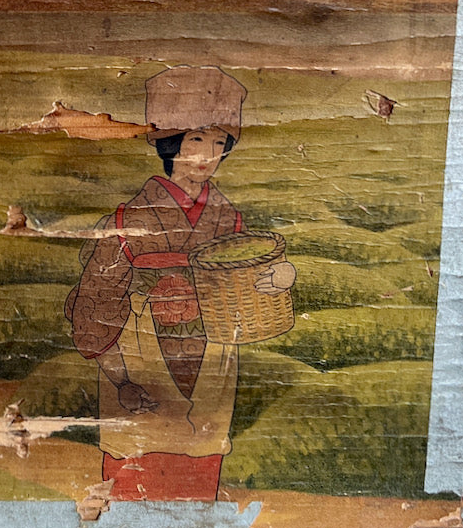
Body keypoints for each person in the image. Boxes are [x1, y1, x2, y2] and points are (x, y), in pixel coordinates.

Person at [64, 65, 296, 501]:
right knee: (136, 473)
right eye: (195, 139)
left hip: (212, 362)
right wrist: (119, 380)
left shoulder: (228, 219)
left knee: (201, 469)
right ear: (171, 143)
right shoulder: (130, 219)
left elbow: (245, 290)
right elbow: (96, 303)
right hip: (140, 355)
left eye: (218, 142)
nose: (207, 154)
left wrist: (275, 280)